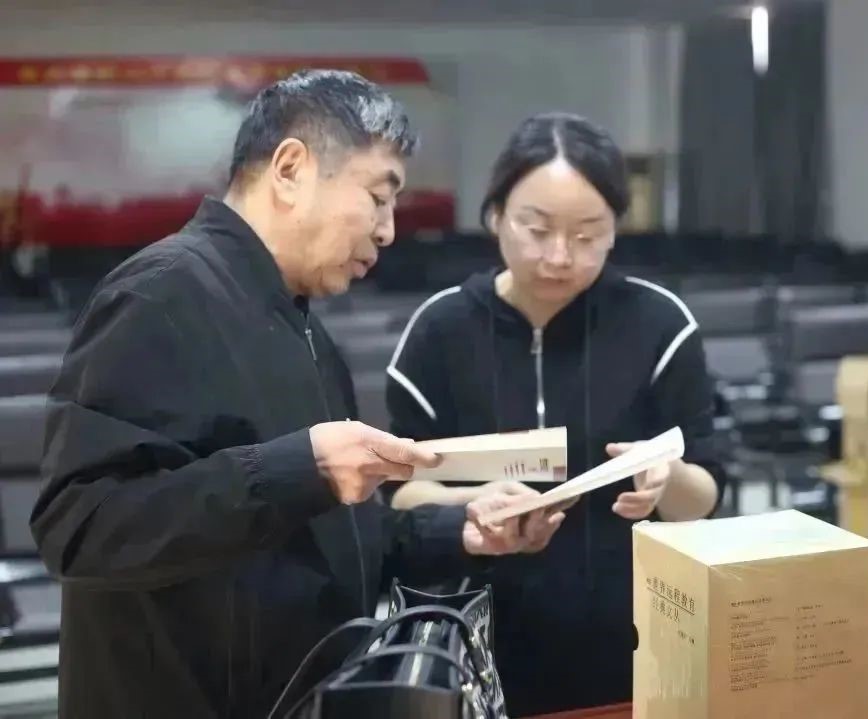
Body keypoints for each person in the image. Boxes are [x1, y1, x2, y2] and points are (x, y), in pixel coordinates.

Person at [29, 71, 564, 719]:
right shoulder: (160, 294)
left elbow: (335, 538)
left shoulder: (303, 327)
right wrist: (298, 467)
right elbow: (79, 528)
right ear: (290, 169)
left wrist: (466, 527)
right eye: (378, 197)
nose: (388, 230)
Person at [385, 112, 726, 716]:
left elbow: (703, 494)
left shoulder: (659, 326)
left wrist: (664, 478)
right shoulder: (440, 330)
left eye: (588, 234)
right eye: (537, 229)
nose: (559, 256)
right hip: (477, 643)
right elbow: (401, 494)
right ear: (495, 216)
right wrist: (473, 504)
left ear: (616, 229)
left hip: (634, 636)